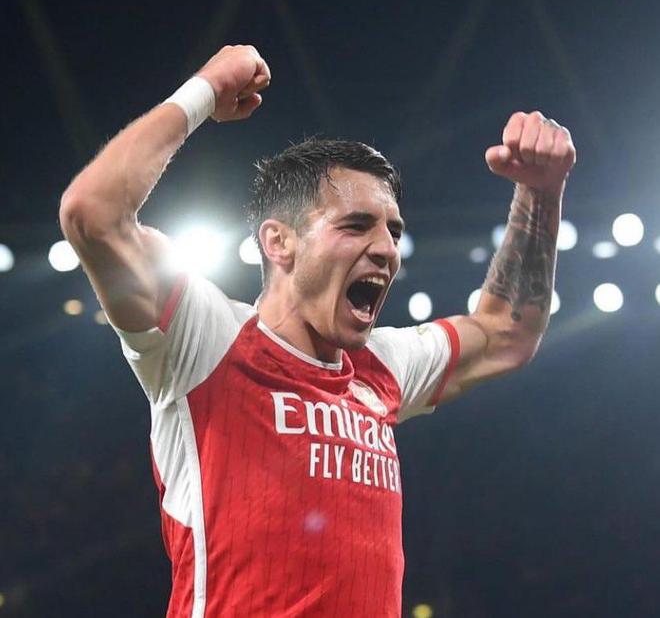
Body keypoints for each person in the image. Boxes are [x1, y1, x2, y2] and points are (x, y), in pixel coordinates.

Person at [59, 45, 576, 617]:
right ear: (278, 242)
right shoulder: (205, 336)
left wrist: (541, 193)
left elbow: (507, 330)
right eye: (356, 226)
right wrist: (205, 90)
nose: (386, 249)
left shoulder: (383, 364)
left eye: (392, 231)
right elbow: (91, 212)